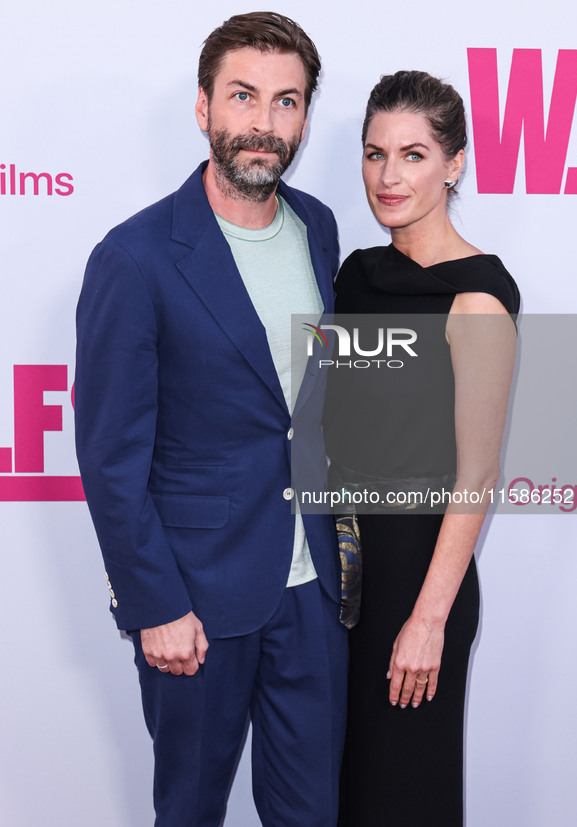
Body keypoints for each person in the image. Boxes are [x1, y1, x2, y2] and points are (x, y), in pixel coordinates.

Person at [75, 12, 347, 826]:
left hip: (314, 595)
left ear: (304, 115)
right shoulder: (136, 256)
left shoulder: (320, 229)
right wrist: (153, 601)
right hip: (194, 600)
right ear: (204, 109)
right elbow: (109, 455)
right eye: (243, 97)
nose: (263, 124)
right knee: (190, 811)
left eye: (286, 101)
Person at [322, 71, 520, 825]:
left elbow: (477, 474)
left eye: (412, 154)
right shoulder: (356, 274)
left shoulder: (476, 295)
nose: (388, 176)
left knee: (402, 796)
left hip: (418, 581)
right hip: (340, 580)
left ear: (454, 163)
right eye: (374, 155)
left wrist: (427, 617)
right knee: (342, 796)